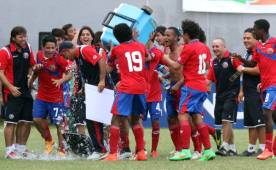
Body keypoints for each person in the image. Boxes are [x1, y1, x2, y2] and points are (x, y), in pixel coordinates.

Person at [163, 20, 216, 161]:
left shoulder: (188, 47)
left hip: (191, 86)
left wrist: (163, 57)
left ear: (186, 34)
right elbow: (208, 66)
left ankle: (185, 151)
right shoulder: (204, 47)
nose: (182, 37)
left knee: (182, 115)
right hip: (201, 86)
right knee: (197, 117)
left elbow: (175, 66)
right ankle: (208, 150)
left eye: (183, 34)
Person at [104, 23, 148, 161]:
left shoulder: (117, 50)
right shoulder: (141, 46)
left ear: (116, 37)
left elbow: (108, 68)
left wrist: (110, 52)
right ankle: (141, 152)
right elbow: (148, 57)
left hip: (126, 87)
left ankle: (112, 154)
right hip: (141, 87)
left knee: (116, 119)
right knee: (135, 119)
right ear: (130, 33)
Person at [59, 39, 106, 160]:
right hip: (93, 88)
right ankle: (100, 148)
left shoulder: (84, 50)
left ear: (67, 50)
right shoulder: (77, 57)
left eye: (65, 55)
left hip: (101, 87)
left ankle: (101, 150)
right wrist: (83, 88)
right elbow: (87, 73)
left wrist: (102, 80)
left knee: (96, 120)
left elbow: (101, 60)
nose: (66, 58)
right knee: (92, 119)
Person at [237, 19, 276, 160]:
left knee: (266, 113)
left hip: (274, 85)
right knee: (274, 116)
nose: (253, 32)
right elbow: (253, 63)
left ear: (262, 30)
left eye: (255, 29)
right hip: (264, 85)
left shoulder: (274, 42)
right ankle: (273, 148)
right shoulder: (258, 46)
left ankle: (268, 149)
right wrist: (240, 58)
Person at [29, 35, 72, 156]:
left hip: (56, 98)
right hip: (42, 96)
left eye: (53, 47)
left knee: (59, 124)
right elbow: (37, 71)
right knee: (37, 119)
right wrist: (31, 80)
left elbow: (69, 75)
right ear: (43, 47)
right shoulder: (38, 56)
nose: (50, 50)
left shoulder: (59, 59)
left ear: (56, 47)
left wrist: (60, 81)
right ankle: (49, 141)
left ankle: (62, 149)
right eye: (48, 47)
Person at [0, 26, 36, 159]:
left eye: (25, 36)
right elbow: (0, 73)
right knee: (11, 122)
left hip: (26, 91)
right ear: (13, 38)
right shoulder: (5, 51)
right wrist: (10, 87)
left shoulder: (28, 47)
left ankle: (21, 149)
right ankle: (9, 151)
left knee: (26, 121)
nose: (24, 39)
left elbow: (32, 65)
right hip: (11, 92)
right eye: (20, 37)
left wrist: (32, 73)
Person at [207, 38, 243, 156]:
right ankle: (232, 148)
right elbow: (209, 78)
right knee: (221, 122)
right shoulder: (214, 62)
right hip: (219, 95)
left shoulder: (232, 58)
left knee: (226, 120)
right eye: (213, 46)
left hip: (232, 94)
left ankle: (224, 146)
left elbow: (241, 70)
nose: (214, 49)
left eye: (217, 46)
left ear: (224, 47)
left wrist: (235, 79)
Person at [237, 28, 265, 156]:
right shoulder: (247, 53)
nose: (245, 40)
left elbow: (258, 70)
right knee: (250, 122)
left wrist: (242, 67)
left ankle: (264, 148)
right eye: (244, 38)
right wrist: (241, 91)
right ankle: (251, 149)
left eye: (248, 38)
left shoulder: (260, 51)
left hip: (258, 90)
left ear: (256, 39)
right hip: (248, 91)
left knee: (260, 121)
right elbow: (244, 74)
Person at [162, 27, 184, 158]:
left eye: (168, 35)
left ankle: (199, 149)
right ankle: (178, 148)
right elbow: (172, 72)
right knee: (171, 118)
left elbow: (188, 71)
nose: (165, 37)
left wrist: (179, 84)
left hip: (183, 88)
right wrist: (163, 77)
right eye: (165, 35)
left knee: (188, 120)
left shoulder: (183, 50)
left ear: (176, 37)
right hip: (171, 89)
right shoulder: (165, 52)